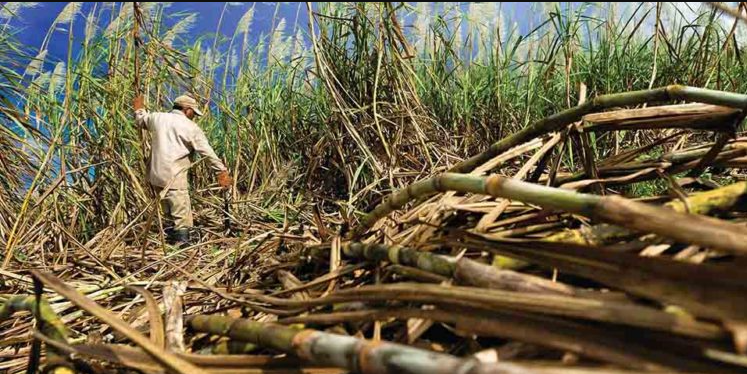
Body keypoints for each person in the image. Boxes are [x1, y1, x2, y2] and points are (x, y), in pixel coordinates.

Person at [133, 94, 232, 246]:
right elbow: (207, 152)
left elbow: (141, 120)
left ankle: (169, 243)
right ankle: (182, 248)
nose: (194, 117)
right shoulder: (190, 127)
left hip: (155, 175)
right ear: (187, 110)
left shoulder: (157, 118)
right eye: (193, 112)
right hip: (174, 177)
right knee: (181, 217)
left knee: (167, 212)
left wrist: (139, 108)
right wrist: (221, 171)